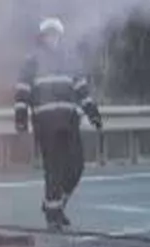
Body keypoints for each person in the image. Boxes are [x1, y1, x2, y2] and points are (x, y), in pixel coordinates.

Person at [14, 18, 103, 230]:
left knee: (76, 167)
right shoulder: (32, 60)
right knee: (53, 169)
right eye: (48, 34)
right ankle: (53, 217)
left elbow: (82, 90)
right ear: (42, 37)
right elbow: (22, 91)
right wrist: (21, 119)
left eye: (55, 35)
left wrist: (93, 113)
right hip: (46, 124)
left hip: (69, 121)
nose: (52, 38)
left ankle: (54, 206)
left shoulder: (69, 60)